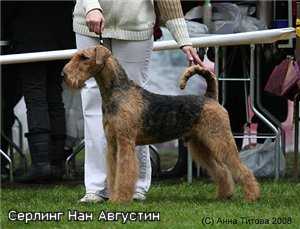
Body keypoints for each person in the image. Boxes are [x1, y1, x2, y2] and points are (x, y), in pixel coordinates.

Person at [73, 0, 202, 202]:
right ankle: (96, 186)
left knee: (135, 105)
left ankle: (137, 185)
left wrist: (183, 39)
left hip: (136, 25)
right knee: (92, 100)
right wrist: (90, 6)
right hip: (88, 21)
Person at [3, 2, 76, 182]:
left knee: (36, 98)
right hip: (61, 37)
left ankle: (41, 164)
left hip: (29, 37)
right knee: (54, 97)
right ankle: (57, 163)